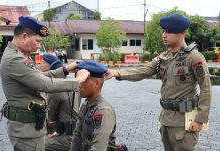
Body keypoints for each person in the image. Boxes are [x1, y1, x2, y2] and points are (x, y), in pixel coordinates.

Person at [105, 14, 211, 151]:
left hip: (184, 121)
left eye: (169, 31)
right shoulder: (164, 57)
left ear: (182, 33)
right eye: (163, 31)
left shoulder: (194, 57)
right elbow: (145, 70)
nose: (164, 35)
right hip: (166, 119)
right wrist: (116, 73)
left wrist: (199, 119)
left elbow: (206, 88)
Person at [0, 16, 89, 151]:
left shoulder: (19, 55)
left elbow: (39, 77)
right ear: (24, 36)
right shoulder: (15, 60)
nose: (39, 45)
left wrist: (66, 69)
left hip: (29, 126)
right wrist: (78, 81)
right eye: (37, 41)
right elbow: (46, 84)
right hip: (27, 131)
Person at [70, 60, 118, 151]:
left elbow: (98, 148)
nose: (79, 84)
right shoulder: (86, 104)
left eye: (84, 81)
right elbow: (77, 137)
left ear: (96, 83)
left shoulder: (103, 110)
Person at [40, 54, 81, 151]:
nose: (40, 64)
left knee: (34, 145)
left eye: (44, 62)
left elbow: (49, 118)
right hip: (76, 132)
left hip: (67, 136)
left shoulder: (56, 90)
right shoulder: (73, 86)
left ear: (52, 70)